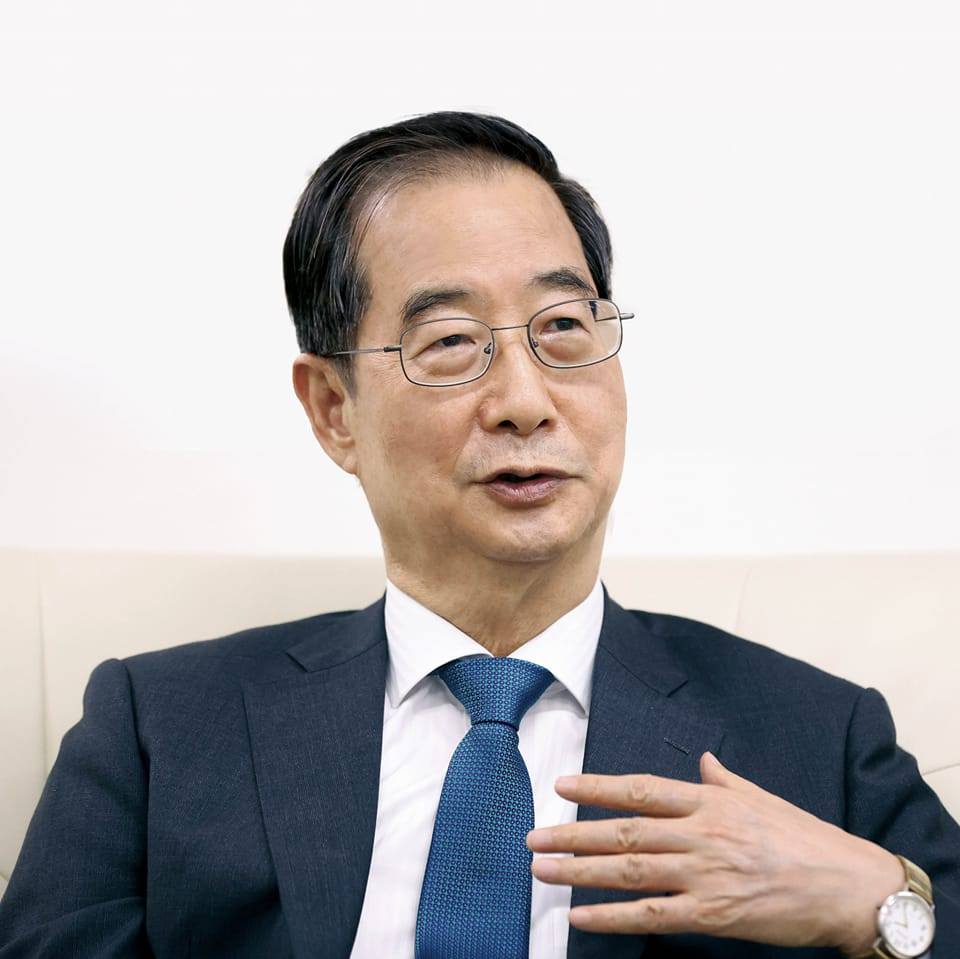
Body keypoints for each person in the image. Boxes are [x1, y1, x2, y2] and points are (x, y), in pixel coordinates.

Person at [0, 110, 957, 959]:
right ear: (334, 409)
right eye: (452, 342)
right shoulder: (158, 727)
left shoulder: (818, 736)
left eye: (564, 327)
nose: (525, 401)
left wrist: (874, 903)